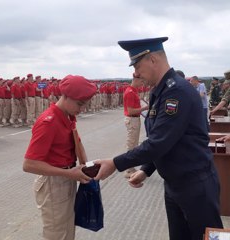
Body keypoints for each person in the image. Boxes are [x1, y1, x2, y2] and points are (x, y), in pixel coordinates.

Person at [94, 37, 223, 240]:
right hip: (174, 184)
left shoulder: (177, 92)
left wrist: (114, 163)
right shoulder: (160, 91)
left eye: (137, 65)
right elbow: (165, 139)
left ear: (153, 59)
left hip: (195, 186)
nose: (135, 73)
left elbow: (160, 142)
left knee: (209, 238)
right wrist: (147, 169)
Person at [23, 75, 96, 240]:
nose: (82, 109)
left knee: (67, 229)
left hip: (66, 177)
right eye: (80, 104)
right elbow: (29, 164)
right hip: (53, 183)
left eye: (85, 105)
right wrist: (71, 174)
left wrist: (86, 167)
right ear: (66, 96)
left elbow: (77, 142)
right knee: (57, 233)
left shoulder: (68, 116)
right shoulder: (48, 122)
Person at [122, 77, 148, 178]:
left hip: (134, 119)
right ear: (136, 80)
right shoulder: (130, 92)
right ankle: (128, 169)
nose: (142, 83)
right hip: (132, 119)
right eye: (141, 81)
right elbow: (131, 111)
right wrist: (145, 108)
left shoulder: (133, 91)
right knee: (131, 145)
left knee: (134, 144)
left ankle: (131, 167)